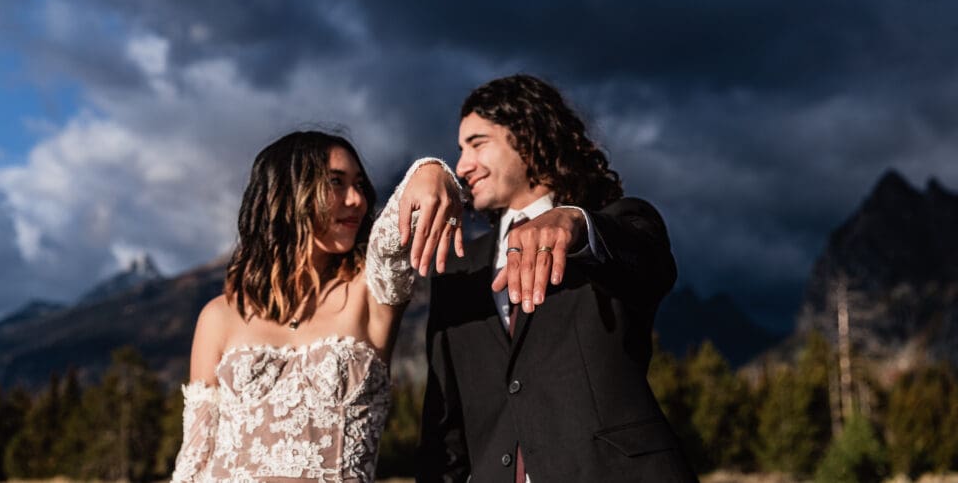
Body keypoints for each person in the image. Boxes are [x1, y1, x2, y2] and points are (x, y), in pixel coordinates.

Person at [418, 75, 697, 482]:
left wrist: (576, 223)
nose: (462, 165)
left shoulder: (609, 228)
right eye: (460, 150)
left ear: (530, 138)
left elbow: (653, 269)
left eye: (477, 144)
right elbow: (444, 430)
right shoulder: (458, 271)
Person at [171, 130, 462, 482]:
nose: (356, 199)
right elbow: (195, 460)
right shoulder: (220, 316)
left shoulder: (371, 292)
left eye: (359, 185)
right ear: (288, 193)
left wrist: (431, 169)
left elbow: (401, 226)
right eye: (336, 183)